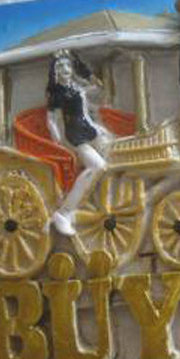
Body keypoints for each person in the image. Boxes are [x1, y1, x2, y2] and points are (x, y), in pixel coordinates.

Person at [45, 49, 114, 236]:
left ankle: (99, 196)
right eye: (60, 66)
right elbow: (51, 120)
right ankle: (64, 212)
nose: (64, 69)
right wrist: (57, 141)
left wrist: (78, 61)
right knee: (98, 166)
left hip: (90, 130)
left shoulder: (77, 87)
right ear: (55, 72)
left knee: (115, 154)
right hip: (75, 136)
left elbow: (98, 87)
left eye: (67, 65)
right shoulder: (57, 93)